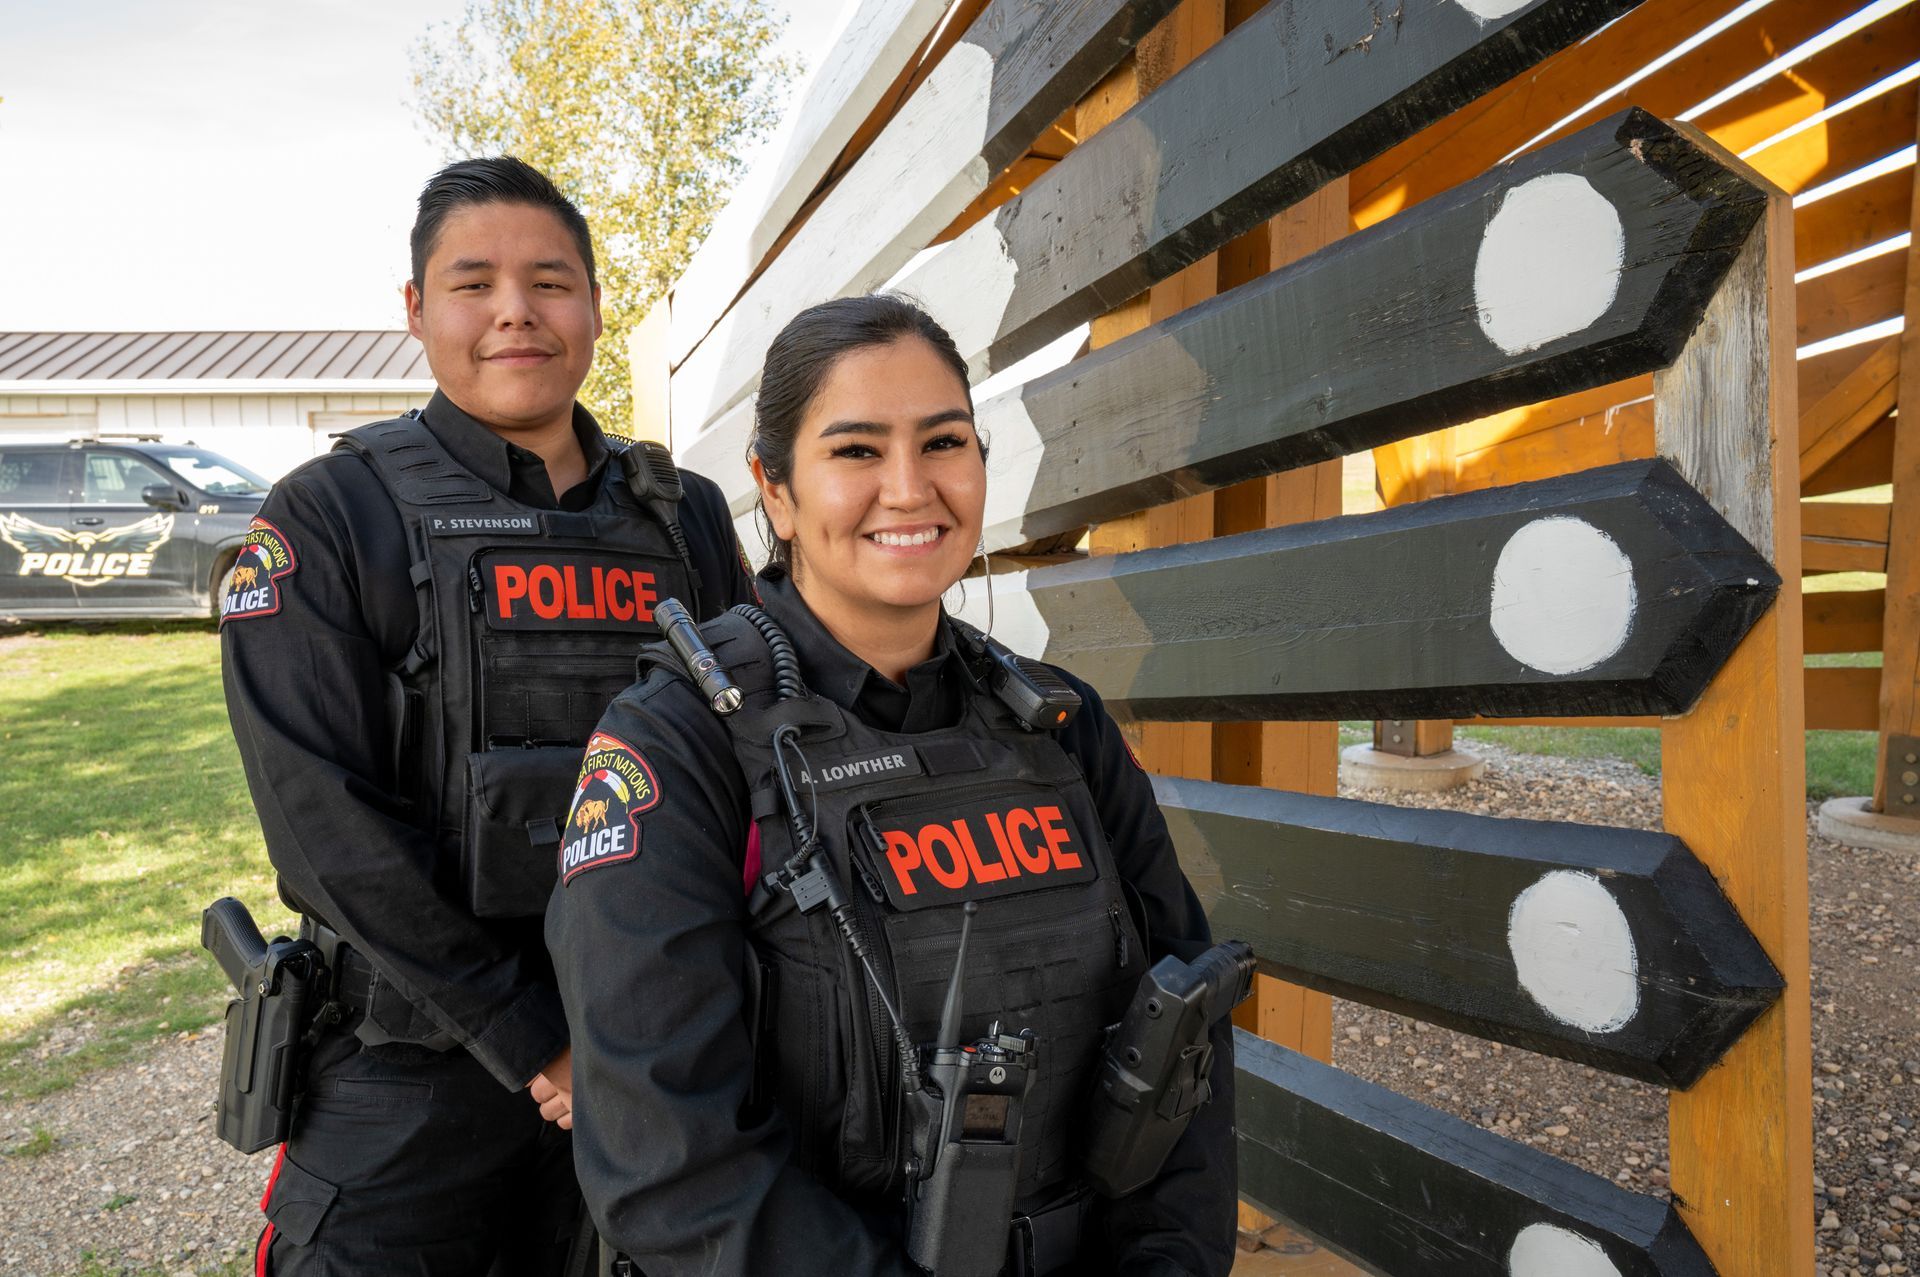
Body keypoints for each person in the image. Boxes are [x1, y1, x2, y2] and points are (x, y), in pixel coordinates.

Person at [547, 294, 1238, 1276]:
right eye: (857, 450)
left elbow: (1185, 1044)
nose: (910, 488)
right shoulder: (675, 743)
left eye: (944, 441)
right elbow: (667, 1159)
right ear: (774, 490)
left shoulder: (1062, 725)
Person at [221, 156, 756, 1274]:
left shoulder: (689, 517)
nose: (516, 310)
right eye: (474, 283)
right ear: (416, 311)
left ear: (597, 306)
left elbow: (753, 759)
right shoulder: (332, 514)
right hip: (414, 1073)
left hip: (659, 1057)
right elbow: (326, 831)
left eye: (552, 281)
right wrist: (533, 1036)